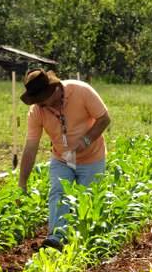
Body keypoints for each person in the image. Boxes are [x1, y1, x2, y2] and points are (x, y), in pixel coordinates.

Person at [17, 69, 111, 249]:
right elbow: (30, 147)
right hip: (61, 159)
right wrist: (22, 183)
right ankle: (57, 238)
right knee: (58, 192)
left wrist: (85, 141)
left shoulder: (81, 91)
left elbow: (104, 119)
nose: (40, 105)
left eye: (42, 100)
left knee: (87, 199)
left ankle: (87, 242)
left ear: (54, 90)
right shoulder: (37, 110)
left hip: (92, 158)